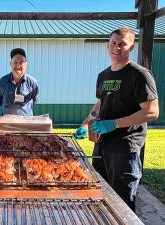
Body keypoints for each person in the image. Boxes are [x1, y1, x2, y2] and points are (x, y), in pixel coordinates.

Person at [74, 27, 159, 212]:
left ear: (131, 47)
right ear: (107, 46)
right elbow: (100, 104)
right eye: (113, 43)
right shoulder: (103, 75)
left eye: (122, 44)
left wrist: (114, 123)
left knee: (122, 203)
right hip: (102, 144)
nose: (117, 48)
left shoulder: (139, 74)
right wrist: (85, 123)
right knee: (100, 195)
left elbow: (152, 112)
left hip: (125, 148)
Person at [0, 48, 39, 116]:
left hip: (25, 125)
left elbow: (34, 101)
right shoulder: (2, 82)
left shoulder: (33, 83)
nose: (18, 65)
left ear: (26, 64)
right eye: (15, 62)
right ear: (10, 64)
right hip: (7, 125)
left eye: (21, 62)